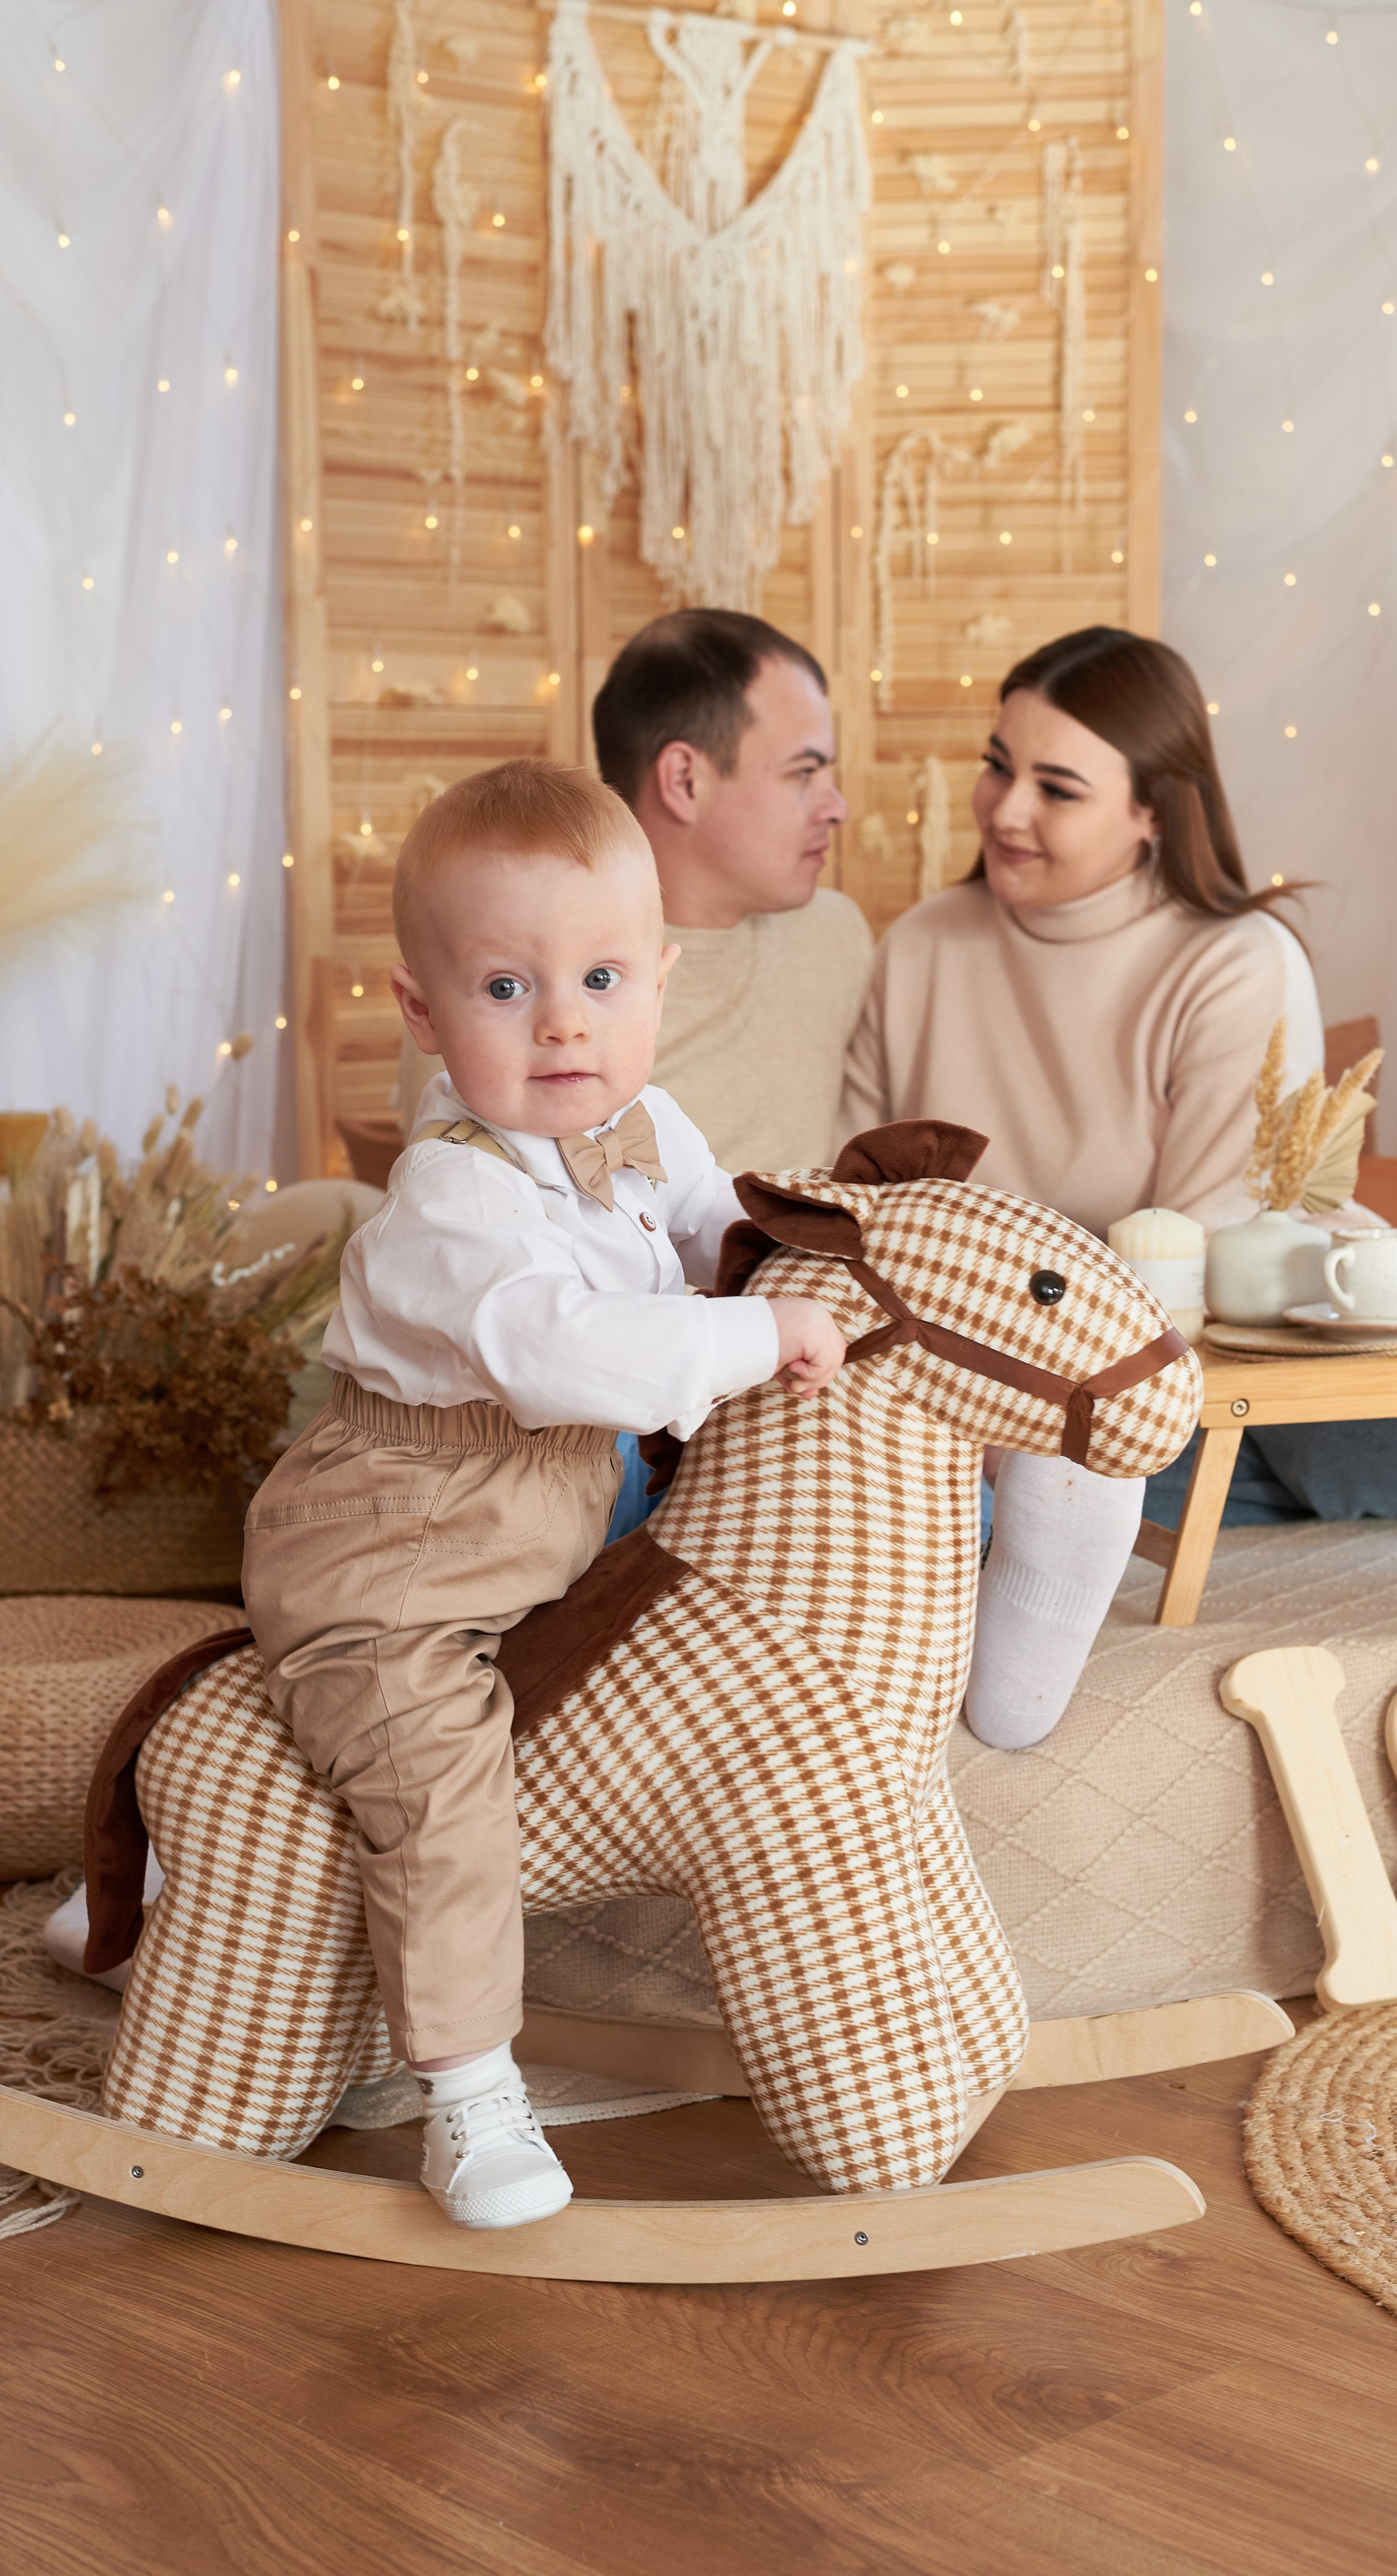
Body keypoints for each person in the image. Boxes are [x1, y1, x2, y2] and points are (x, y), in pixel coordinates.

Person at [839, 626, 1397, 1751]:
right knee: (917, 1486)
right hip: (986, 1386)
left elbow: (1195, 1244)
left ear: (1154, 811)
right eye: (998, 763)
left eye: (1057, 786)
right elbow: (860, 1196)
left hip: (1173, 1360)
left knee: (1368, 1441)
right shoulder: (920, 947)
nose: (1006, 808)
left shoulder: (1234, 958)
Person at [245, 760, 845, 2231]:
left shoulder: (652, 1128)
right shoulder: (456, 1198)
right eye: (506, 989)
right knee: (443, 1782)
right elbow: (559, 1350)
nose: (563, 1021)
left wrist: (812, 1261)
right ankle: (467, 2094)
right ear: (421, 1012)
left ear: (659, 977)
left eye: (595, 977)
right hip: (398, 1553)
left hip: (564, 1517)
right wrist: (749, 1338)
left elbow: (717, 1229)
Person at [397, 609, 874, 1177]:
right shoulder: (483, 993)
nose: (837, 807)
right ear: (684, 781)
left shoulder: (835, 936)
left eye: (602, 979)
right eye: (804, 773)